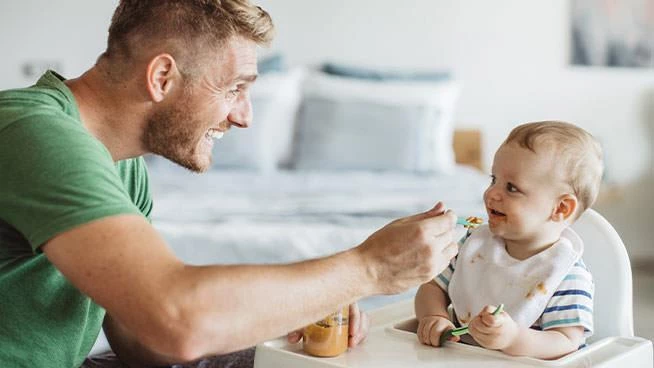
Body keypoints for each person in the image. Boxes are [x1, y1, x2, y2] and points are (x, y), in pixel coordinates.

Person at [0, 1, 460, 367]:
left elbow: (144, 343)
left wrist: (287, 309)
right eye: (234, 89)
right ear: (162, 77)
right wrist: (367, 268)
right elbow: (176, 321)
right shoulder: (32, 131)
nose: (244, 116)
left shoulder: (124, 166)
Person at [414, 121, 603, 360]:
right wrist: (434, 317)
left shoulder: (565, 274)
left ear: (561, 208)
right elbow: (432, 287)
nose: (491, 193)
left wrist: (514, 338)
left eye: (511, 188)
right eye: (494, 180)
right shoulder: (475, 245)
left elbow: (566, 342)